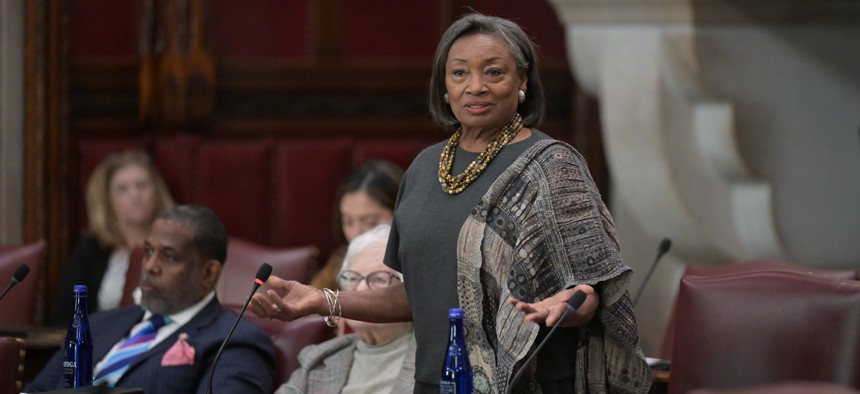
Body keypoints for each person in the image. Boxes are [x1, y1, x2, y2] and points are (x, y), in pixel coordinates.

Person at [250, 13, 651, 394]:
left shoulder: (554, 168)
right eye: (460, 73)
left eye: (494, 72)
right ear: (445, 85)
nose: (475, 86)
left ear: (522, 81)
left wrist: (573, 305)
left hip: (528, 382)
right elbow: (417, 294)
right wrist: (320, 300)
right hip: (434, 379)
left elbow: (592, 291)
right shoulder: (424, 168)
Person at [27, 205, 274, 393]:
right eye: (148, 252)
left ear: (208, 274)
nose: (150, 266)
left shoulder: (232, 340)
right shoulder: (98, 324)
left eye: (168, 256)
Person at [278, 224, 415, 393]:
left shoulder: (435, 361)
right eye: (353, 278)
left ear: (405, 291)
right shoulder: (319, 359)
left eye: (379, 279)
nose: (360, 289)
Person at [50, 150, 175, 326]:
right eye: (122, 189)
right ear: (108, 201)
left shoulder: (178, 244)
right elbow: (64, 318)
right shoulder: (91, 250)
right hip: (103, 346)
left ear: (157, 192)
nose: (134, 195)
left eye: (141, 185)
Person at [308, 159, 403, 290]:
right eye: (348, 221)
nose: (356, 233)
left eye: (371, 222)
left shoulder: (415, 269)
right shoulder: (334, 270)